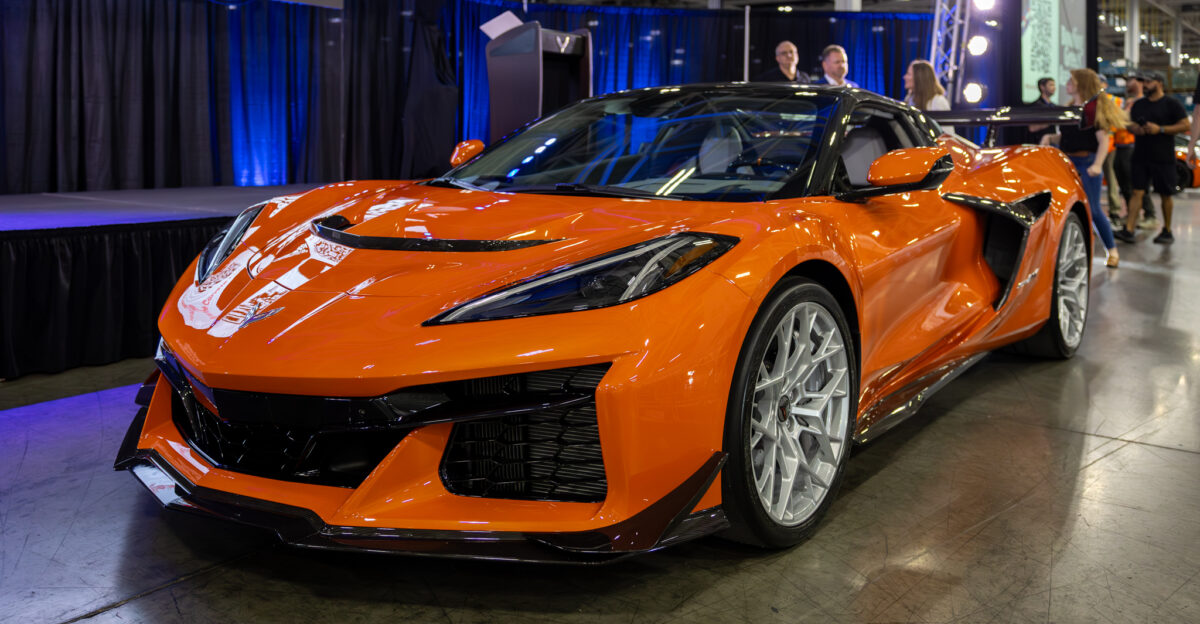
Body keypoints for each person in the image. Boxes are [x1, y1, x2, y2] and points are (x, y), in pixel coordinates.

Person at [1040, 69, 1128, 268]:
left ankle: (1112, 251)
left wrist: (1097, 165)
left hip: (1087, 164)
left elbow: (1104, 141)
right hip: (1068, 164)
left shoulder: (1093, 110)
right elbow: (1068, 136)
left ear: (1081, 84)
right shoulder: (1071, 108)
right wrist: (1050, 138)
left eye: (1071, 80)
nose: (1067, 84)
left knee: (1094, 211)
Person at [1115, 70, 1188, 245]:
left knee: (1165, 194)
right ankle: (1129, 229)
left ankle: (1167, 230)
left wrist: (1160, 129)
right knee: (1137, 191)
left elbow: (1185, 124)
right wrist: (1135, 129)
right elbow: (1130, 123)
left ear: (1159, 83)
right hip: (1141, 155)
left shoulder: (1172, 104)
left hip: (1163, 156)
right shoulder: (1139, 104)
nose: (1144, 85)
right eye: (1143, 81)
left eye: (1148, 81)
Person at [1112, 73, 1157, 229]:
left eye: (1129, 81)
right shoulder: (1127, 103)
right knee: (1125, 185)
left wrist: (1122, 118)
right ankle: (1133, 215)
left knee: (1139, 184)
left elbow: (1129, 123)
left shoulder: (1143, 104)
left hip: (1134, 147)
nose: (1126, 84)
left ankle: (1150, 215)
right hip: (1120, 146)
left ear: (1139, 82)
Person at [1027, 77, 1058, 145]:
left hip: (1053, 144)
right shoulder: (1035, 106)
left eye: (1054, 85)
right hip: (1040, 143)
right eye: (1051, 85)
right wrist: (1051, 121)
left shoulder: (1053, 106)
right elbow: (1032, 128)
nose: (1054, 88)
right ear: (1042, 87)